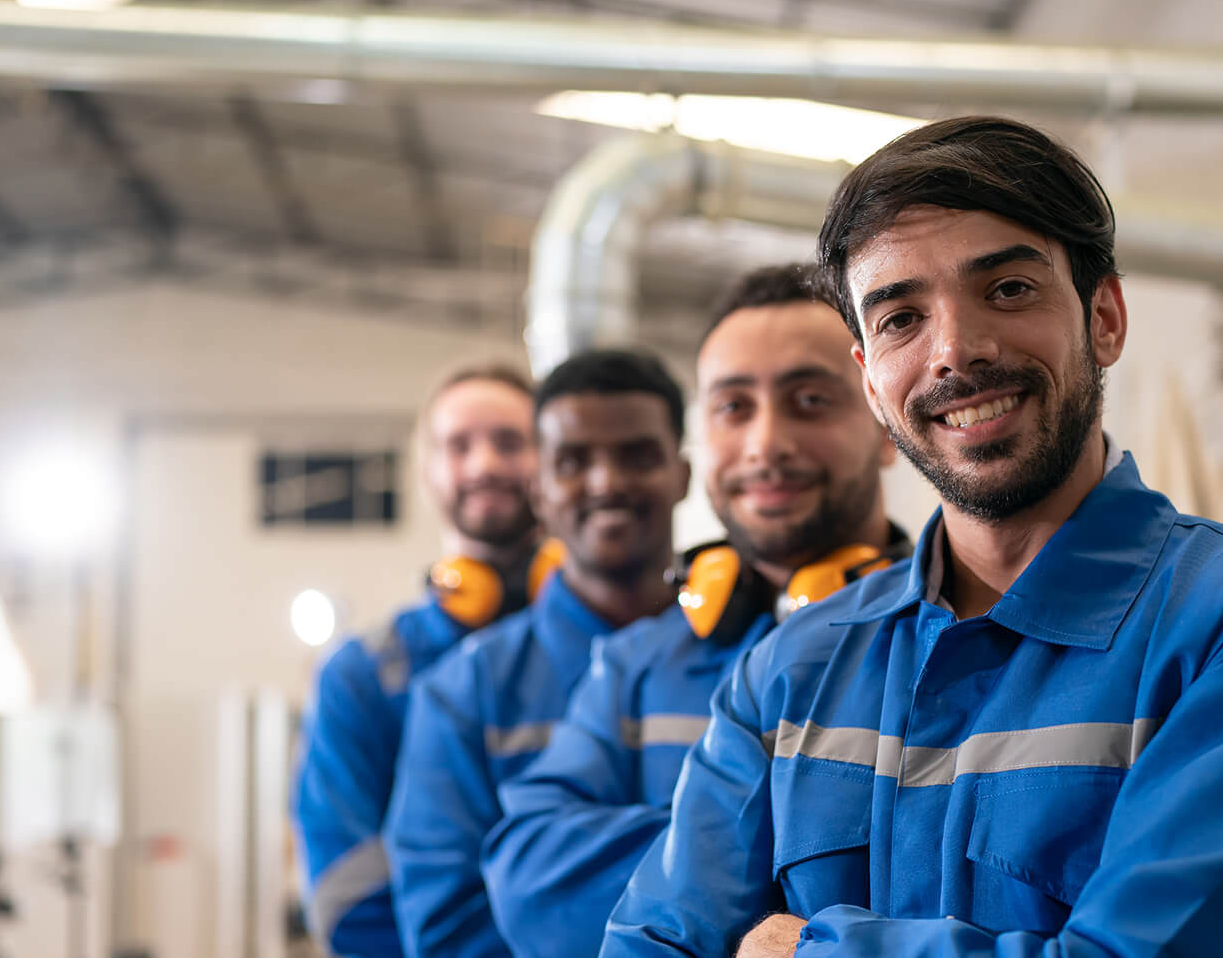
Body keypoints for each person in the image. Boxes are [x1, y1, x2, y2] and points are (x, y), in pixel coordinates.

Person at [604, 116, 1223, 958]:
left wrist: (812, 951)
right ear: (870, 379)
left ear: (1105, 319)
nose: (956, 350)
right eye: (901, 317)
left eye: (1008, 289)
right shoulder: (786, 676)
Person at [482, 264, 908, 958]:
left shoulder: (961, 645)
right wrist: (805, 877)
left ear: (887, 421)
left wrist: (690, 884)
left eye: (808, 400)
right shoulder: (637, 663)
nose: (765, 443)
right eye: (734, 407)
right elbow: (530, 874)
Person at [391, 348, 692, 958]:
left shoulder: (756, 664)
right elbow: (447, 929)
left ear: (683, 475)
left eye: (636, 455)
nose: (606, 482)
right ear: (538, 487)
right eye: (574, 461)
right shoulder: (462, 693)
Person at [292, 362, 540, 958]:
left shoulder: (613, 650)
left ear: (552, 459)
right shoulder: (364, 676)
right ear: (428, 473)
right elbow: (344, 892)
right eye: (459, 446)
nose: (484, 464)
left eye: (510, 442)